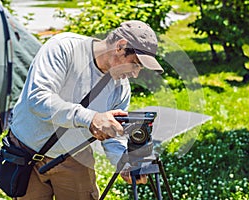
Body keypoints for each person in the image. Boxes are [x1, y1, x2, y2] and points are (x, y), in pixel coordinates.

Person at [9, 20, 164, 200]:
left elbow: (113, 134)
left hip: (74, 156)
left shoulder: (121, 88)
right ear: (120, 47)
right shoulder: (63, 47)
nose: (135, 74)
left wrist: (125, 163)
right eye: (135, 64)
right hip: (27, 152)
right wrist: (90, 118)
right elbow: (38, 98)